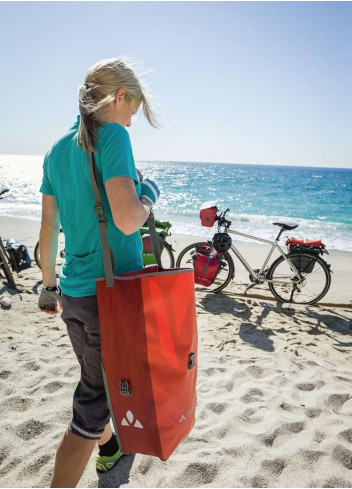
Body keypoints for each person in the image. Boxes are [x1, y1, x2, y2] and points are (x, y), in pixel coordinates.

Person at [38, 58, 160, 488]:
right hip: (110, 297)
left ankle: (111, 450)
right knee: (90, 408)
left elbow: (48, 230)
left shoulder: (56, 149)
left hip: (73, 294)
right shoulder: (113, 136)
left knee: (99, 387)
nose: (132, 120)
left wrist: (48, 288)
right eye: (134, 108)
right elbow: (129, 220)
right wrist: (149, 193)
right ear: (120, 96)